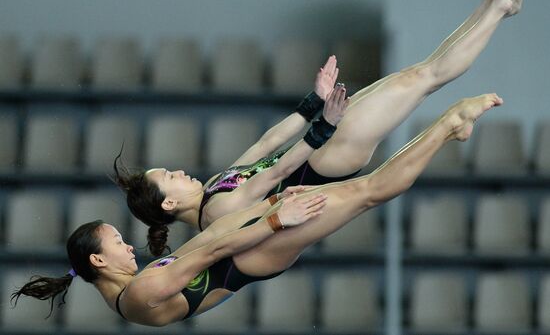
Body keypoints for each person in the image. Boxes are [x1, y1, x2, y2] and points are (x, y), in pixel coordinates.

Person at [113, 0, 533, 256]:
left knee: (420, 74)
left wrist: (313, 100)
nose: (179, 170)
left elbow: (265, 146)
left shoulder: (213, 189)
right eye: (169, 176)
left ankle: (497, 4)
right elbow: (279, 172)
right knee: (425, 78)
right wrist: (324, 126)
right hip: (327, 158)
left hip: (324, 144)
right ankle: (499, 7)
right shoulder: (217, 212)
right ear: (168, 204)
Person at [12, 93, 503, 326]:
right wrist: (273, 218)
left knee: (364, 190)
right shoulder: (141, 292)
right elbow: (210, 247)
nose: (127, 244)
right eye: (117, 243)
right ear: (98, 261)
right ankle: (447, 126)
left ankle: (444, 128)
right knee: (368, 191)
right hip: (246, 255)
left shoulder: (127, 296)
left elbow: (213, 237)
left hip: (245, 252)